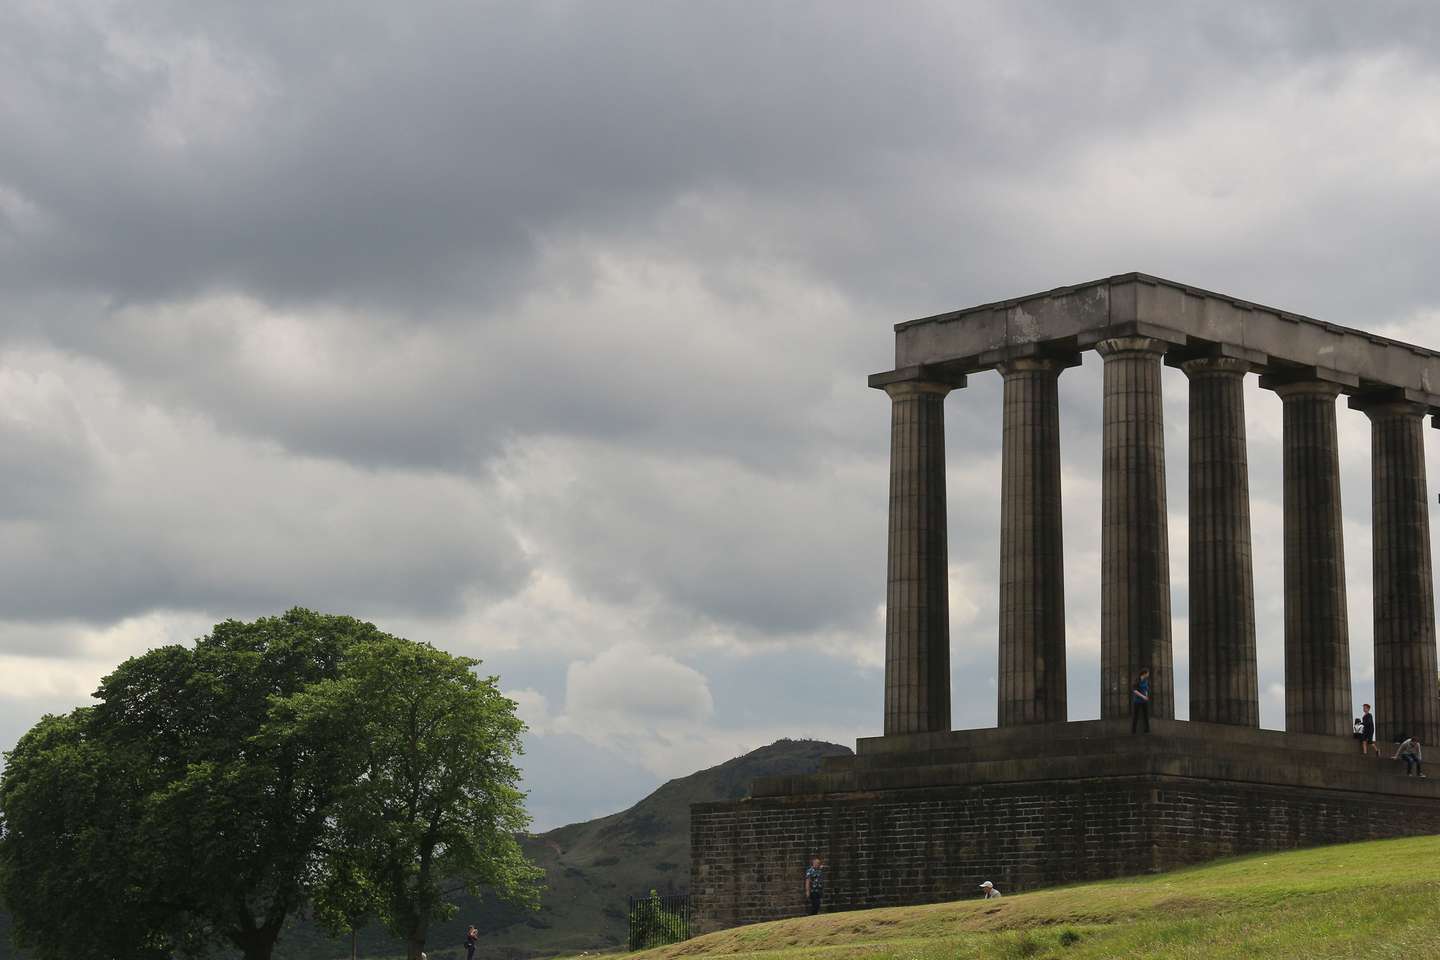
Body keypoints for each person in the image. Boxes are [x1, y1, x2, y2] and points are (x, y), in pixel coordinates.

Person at [1131, 668, 1151, 734]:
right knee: (1135, 716)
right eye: (1147, 673)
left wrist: (1146, 696)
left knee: (1146, 715)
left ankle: (1147, 730)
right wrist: (1143, 696)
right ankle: (1133, 731)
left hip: (1144, 701)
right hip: (1137, 701)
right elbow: (1135, 691)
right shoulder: (1137, 680)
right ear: (1144, 673)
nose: (1148, 674)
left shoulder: (1146, 681)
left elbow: (1146, 689)